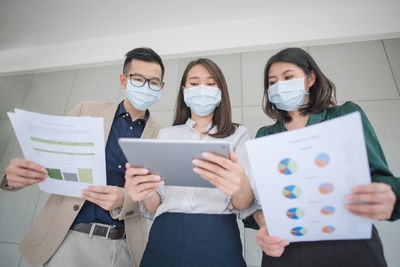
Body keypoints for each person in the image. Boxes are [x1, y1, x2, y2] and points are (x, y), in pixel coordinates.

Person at [0, 47, 166, 267]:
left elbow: (158, 202)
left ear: (160, 88)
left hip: (125, 246)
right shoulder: (86, 110)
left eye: (154, 82)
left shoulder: (162, 136)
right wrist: (14, 178)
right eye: (138, 79)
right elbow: (48, 160)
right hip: (67, 239)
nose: (146, 86)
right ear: (124, 80)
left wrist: (124, 199)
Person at [243, 47, 400, 267]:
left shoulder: (344, 115)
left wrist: (391, 196)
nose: (280, 86)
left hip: (350, 246)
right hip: (286, 250)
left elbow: (382, 178)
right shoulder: (265, 135)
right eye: (272, 82)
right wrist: (263, 229)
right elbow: (258, 202)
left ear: (310, 79)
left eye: (288, 77)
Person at [124, 58, 258, 267]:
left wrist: (240, 184)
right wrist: (145, 189)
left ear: (221, 91)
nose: (202, 89)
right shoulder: (166, 135)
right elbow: (155, 206)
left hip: (219, 234)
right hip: (165, 233)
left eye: (210, 83)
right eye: (194, 83)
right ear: (184, 91)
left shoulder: (238, 134)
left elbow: (242, 203)